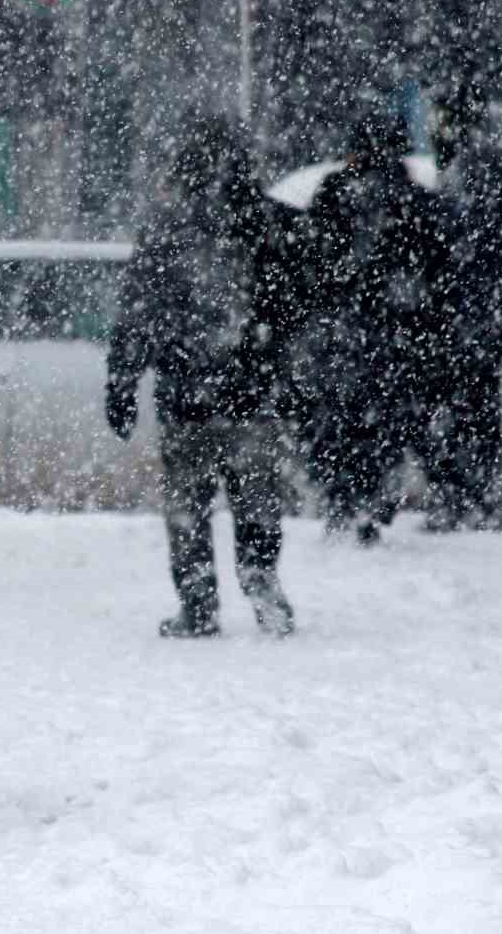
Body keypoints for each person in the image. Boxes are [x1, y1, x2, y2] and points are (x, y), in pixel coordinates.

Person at [106, 113, 293, 639]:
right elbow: (292, 310)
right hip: (249, 392)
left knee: (188, 507)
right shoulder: (265, 223)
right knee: (255, 500)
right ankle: (261, 582)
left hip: (186, 392)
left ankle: (198, 603)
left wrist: (122, 382)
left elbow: (137, 314)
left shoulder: (167, 229)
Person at [294, 109, 455, 545]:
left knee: (337, 418)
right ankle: (374, 498)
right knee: (387, 421)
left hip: (341, 330)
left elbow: (308, 260)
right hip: (400, 332)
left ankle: (340, 497)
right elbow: (441, 272)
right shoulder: (417, 200)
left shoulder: (333, 192)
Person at [428, 79, 502, 530]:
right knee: (475, 404)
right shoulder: (485, 159)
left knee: (467, 404)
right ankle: (474, 495)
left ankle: (468, 497)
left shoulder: (475, 162)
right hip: (481, 308)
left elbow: (465, 238)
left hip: (470, 310)